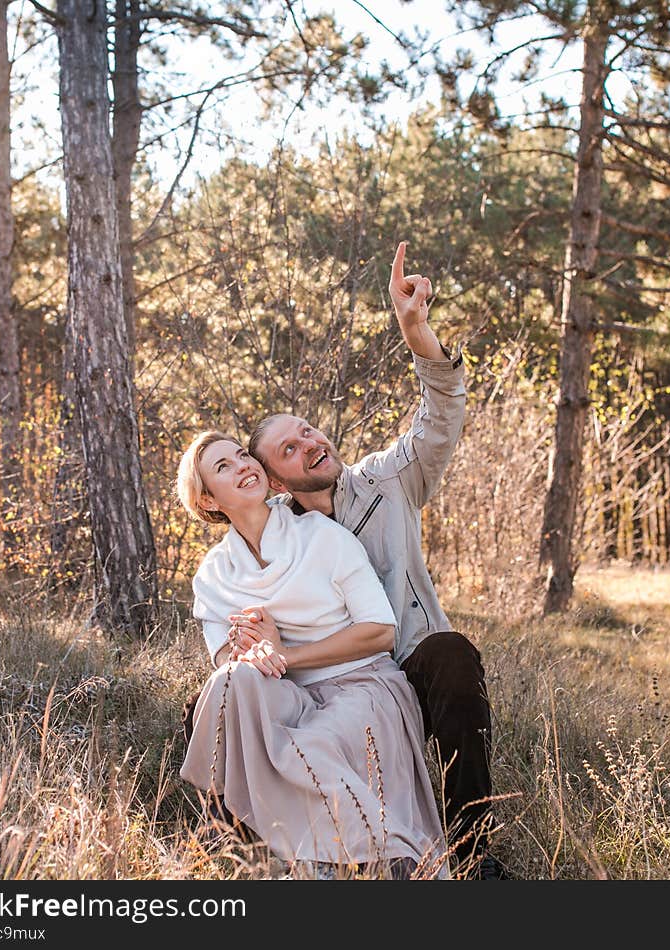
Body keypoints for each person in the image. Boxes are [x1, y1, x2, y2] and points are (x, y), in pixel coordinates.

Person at [245, 242, 506, 879]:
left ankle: (473, 857)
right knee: (225, 699)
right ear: (275, 482)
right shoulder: (274, 537)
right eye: (288, 448)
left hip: (406, 657)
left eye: (307, 430)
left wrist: (417, 333)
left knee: (450, 655)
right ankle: (249, 850)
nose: (310, 443)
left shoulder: (389, 482)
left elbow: (439, 421)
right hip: (332, 681)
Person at [176, 430, 448, 879]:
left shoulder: (322, 535)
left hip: (363, 685)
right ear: (207, 500)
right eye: (224, 467)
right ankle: (230, 828)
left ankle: (386, 855)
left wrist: (285, 653)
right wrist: (254, 654)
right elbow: (226, 658)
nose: (244, 465)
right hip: (290, 696)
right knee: (229, 682)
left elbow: (379, 632)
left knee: (311, 745)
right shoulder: (215, 574)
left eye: (244, 456)